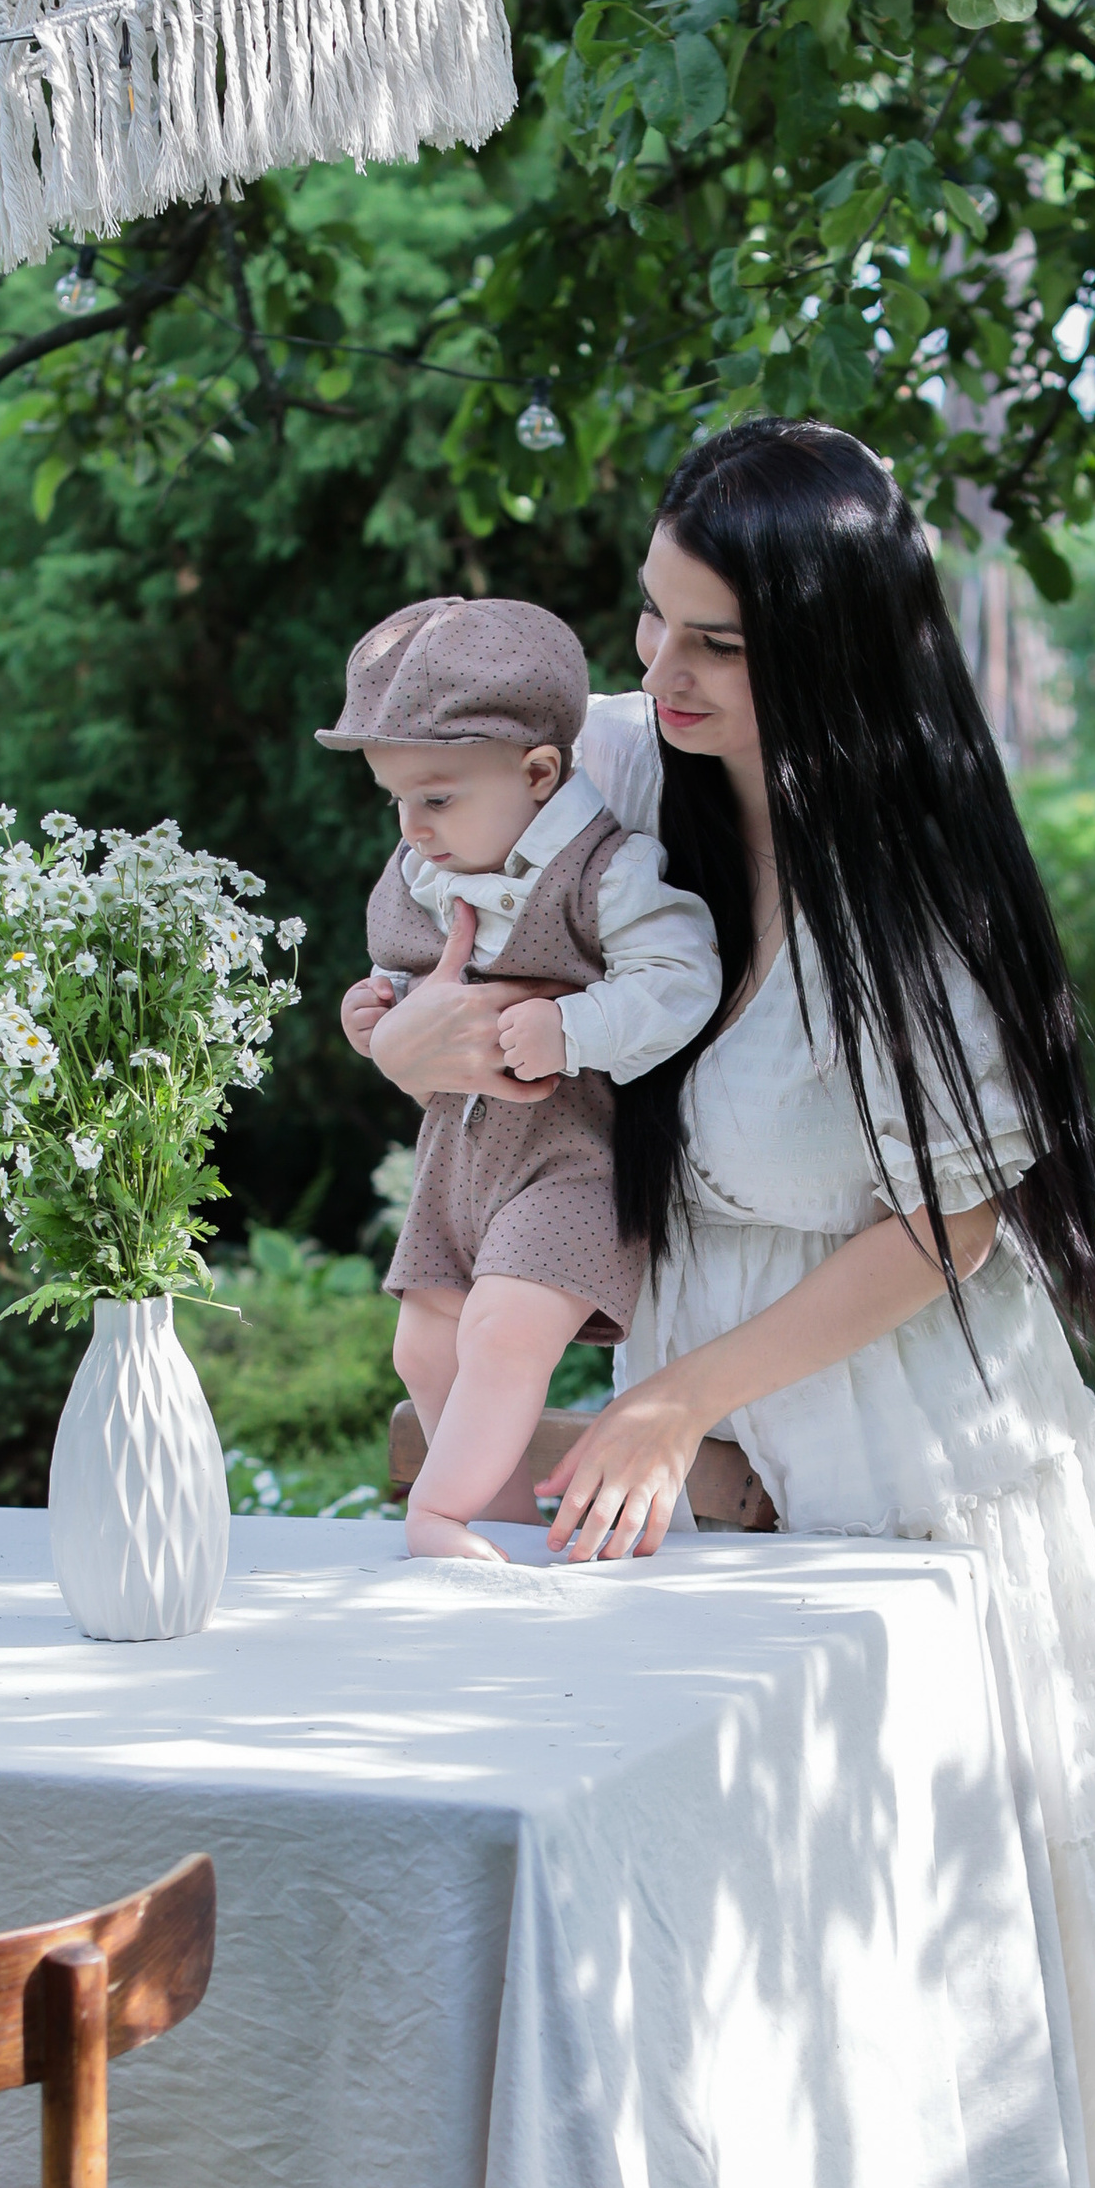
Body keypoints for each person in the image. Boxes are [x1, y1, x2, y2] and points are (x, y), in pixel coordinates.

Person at [350, 422, 1095, 2188]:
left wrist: (671, 1400)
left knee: (979, 1903)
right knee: (764, 1910)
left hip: (903, 1430)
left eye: (710, 648)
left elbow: (948, 1217)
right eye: (646, 620)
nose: (652, 677)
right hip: (711, 1404)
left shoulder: (903, 884)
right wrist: (411, 1039)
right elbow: (445, 902)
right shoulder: (637, 802)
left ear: (826, 662)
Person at [324, 592, 722, 1560]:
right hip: (457, 1157)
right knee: (423, 1344)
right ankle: (491, 1520)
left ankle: (438, 1514)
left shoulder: (604, 870)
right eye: (398, 802)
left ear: (539, 771)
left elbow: (683, 976)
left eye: (437, 796)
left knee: (505, 1331)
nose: (413, 828)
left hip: (568, 1156)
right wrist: (376, 1012)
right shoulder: (426, 868)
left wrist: (573, 1026)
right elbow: (403, 973)